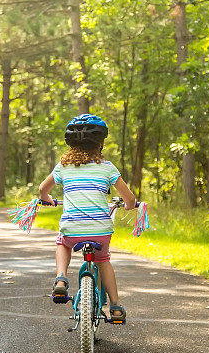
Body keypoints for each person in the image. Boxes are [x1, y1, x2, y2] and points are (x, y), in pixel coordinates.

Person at [38, 114, 136, 322]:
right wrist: (129, 206)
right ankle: (116, 305)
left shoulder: (63, 167)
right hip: (100, 231)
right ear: (100, 144)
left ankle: (61, 280)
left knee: (62, 244)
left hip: (72, 229)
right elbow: (129, 198)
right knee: (103, 260)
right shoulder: (107, 167)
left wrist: (47, 199)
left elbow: (42, 189)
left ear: (71, 145)